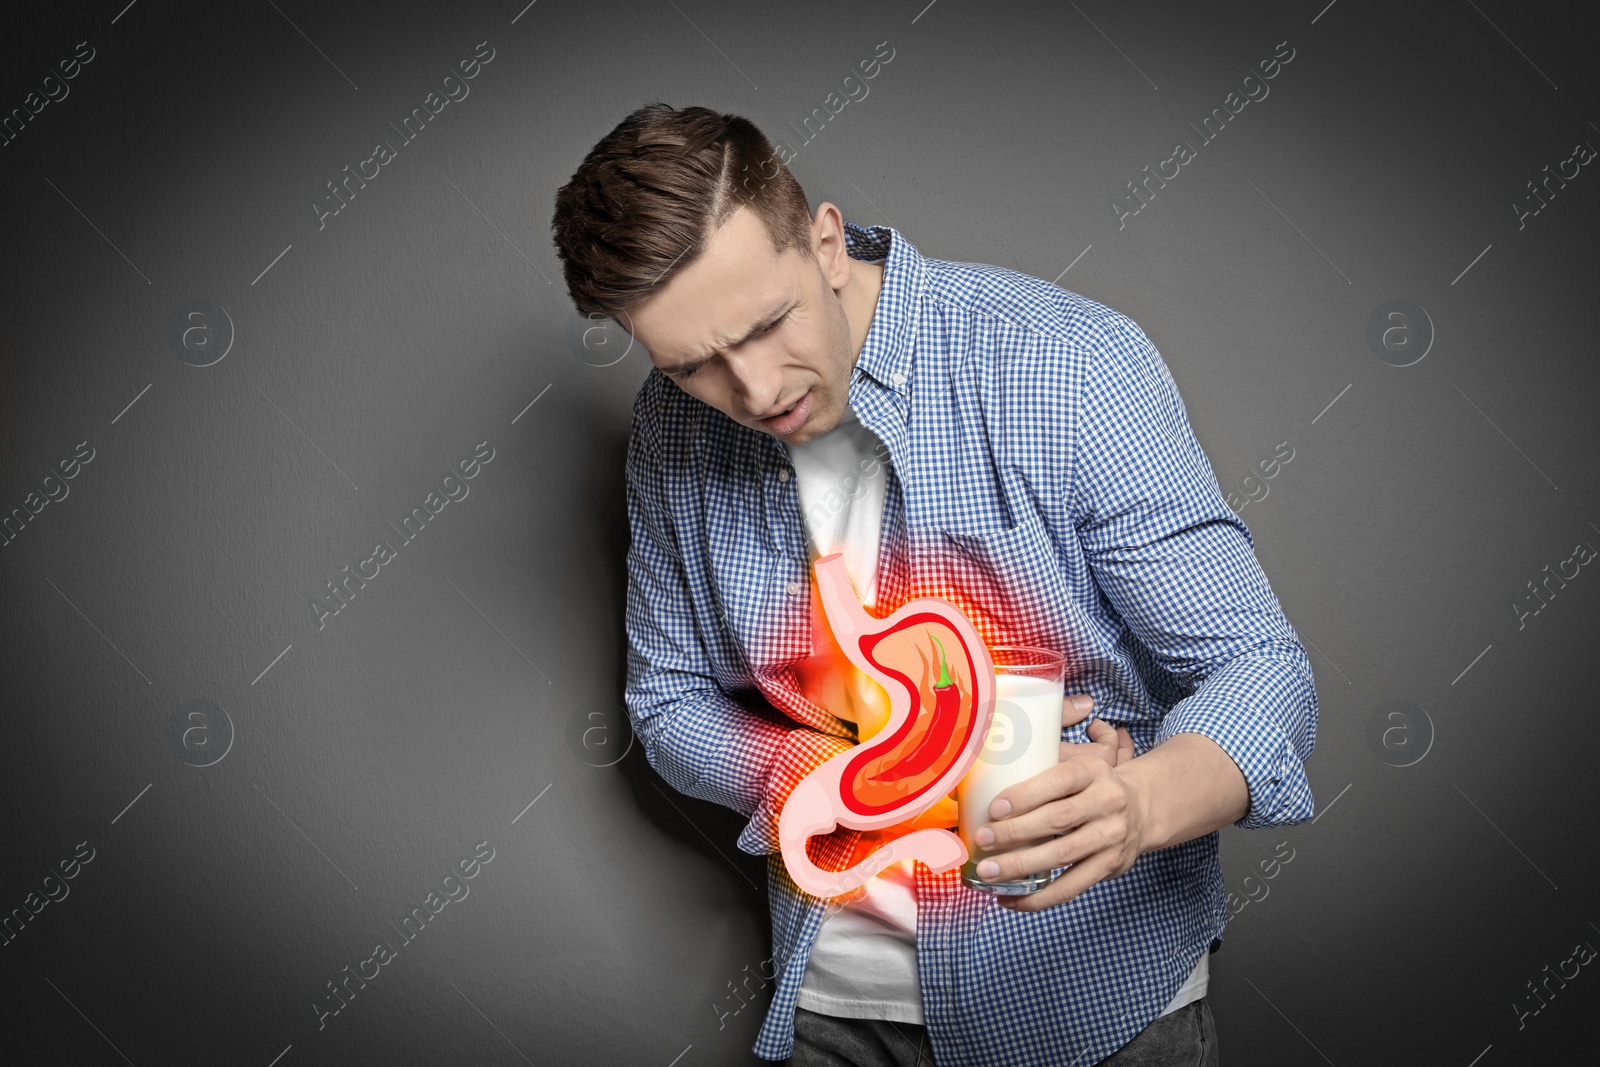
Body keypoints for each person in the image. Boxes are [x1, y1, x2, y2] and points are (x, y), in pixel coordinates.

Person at [550, 103, 1317, 1067]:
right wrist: (811, 772)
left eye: (767, 323)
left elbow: (1261, 667)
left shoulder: (1066, 365)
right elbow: (666, 703)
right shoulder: (671, 428)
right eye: (695, 362)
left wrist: (1137, 806)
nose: (752, 391)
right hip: (834, 1008)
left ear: (825, 243)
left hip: (1095, 1005)